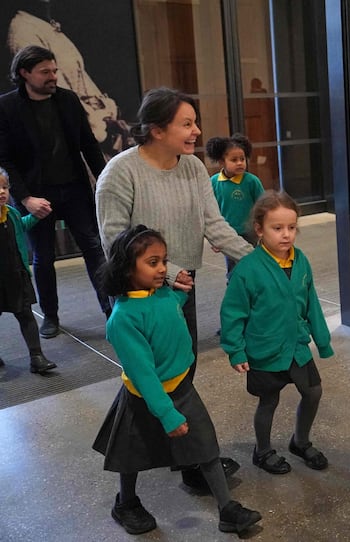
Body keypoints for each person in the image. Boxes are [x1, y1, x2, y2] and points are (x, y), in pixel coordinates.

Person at [95, 87, 253, 491]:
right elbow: (115, 241)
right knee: (145, 384)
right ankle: (127, 491)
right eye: (187, 123)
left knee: (182, 373)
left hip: (181, 288)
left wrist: (257, 260)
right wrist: (169, 272)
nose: (197, 131)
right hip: (140, 297)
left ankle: (188, 463)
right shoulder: (120, 172)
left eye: (194, 122)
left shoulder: (193, 168)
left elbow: (213, 224)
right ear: (157, 129)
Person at [92, 225, 262, 536]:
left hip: (182, 387)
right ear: (128, 268)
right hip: (144, 398)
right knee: (132, 455)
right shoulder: (124, 319)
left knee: (206, 447)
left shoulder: (162, 295)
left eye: (163, 260)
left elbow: (167, 313)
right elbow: (144, 374)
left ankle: (227, 509)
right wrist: (167, 413)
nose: (162, 269)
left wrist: (180, 295)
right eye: (153, 262)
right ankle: (126, 502)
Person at [0, 45, 111, 338]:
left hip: (74, 189)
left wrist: (104, 181)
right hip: (35, 195)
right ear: (25, 73)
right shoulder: (7, 107)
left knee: (93, 248)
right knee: (43, 257)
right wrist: (25, 198)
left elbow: (88, 144)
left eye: (54, 70)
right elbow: (4, 159)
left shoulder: (68, 100)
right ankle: (50, 316)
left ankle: (110, 310)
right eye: (45, 72)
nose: (53, 76)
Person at [220, 190, 333, 475]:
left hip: (295, 346)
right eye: (277, 228)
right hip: (264, 349)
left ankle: (301, 441)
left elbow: (311, 301)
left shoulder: (301, 260)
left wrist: (322, 339)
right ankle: (263, 450)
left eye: (292, 227)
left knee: (313, 391)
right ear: (259, 229)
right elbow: (232, 313)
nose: (286, 235)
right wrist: (235, 349)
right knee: (269, 400)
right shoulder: (247, 270)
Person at [0, 167, 56, 374]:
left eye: (4, 187)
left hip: (17, 275)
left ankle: (36, 356)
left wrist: (37, 216)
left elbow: (21, 226)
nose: (2, 192)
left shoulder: (12, 214)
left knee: (26, 316)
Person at [205, 133, 264, 279]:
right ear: (221, 162)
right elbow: (211, 211)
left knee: (252, 265)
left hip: (250, 233)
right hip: (227, 235)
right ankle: (235, 294)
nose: (240, 163)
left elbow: (263, 205)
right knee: (233, 270)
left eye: (242, 159)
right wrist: (215, 238)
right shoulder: (213, 182)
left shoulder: (251, 181)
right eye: (234, 160)